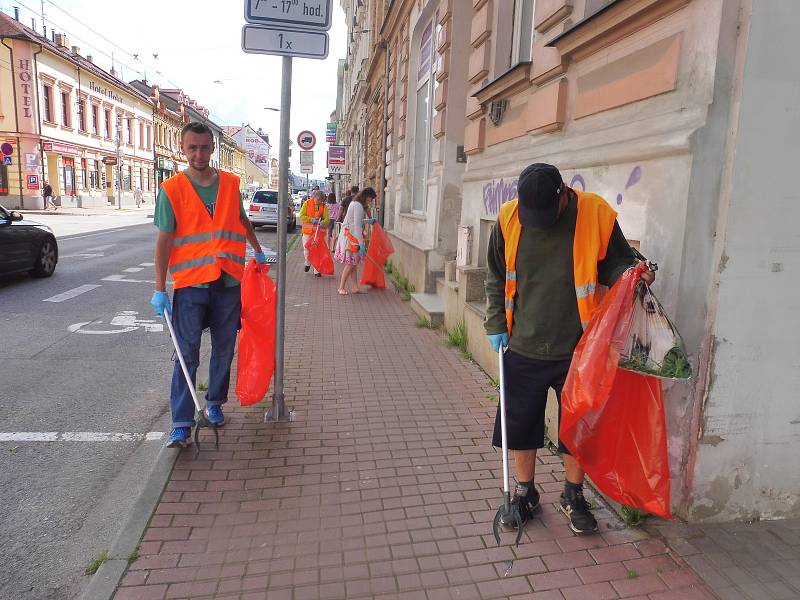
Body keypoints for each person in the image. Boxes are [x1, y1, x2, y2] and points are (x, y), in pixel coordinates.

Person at [484, 163, 655, 535]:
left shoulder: (595, 214)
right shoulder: (509, 218)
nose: (538, 223)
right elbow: (496, 275)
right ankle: (526, 493)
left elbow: (618, 263)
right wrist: (495, 323)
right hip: (521, 344)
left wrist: (634, 273)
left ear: (563, 195)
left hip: (580, 348)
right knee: (520, 424)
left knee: (578, 427)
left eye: (545, 215)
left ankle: (572, 494)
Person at [150, 121, 267, 448]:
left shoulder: (230, 183)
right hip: (190, 285)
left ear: (212, 148)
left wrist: (257, 251)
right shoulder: (171, 190)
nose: (199, 154)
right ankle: (181, 424)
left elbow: (241, 219)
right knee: (186, 354)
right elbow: (163, 242)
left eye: (204, 147)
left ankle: (214, 403)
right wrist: (160, 288)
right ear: (182, 148)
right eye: (192, 148)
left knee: (224, 348)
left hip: (228, 281)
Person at [335, 187, 377, 295]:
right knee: (351, 264)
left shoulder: (355, 203)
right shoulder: (358, 206)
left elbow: (355, 220)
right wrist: (361, 243)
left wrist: (368, 221)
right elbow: (358, 226)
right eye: (371, 199)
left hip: (350, 235)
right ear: (366, 197)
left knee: (353, 263)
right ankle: (341, 287)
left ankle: (354, 287)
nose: (371, 201)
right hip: (352, 237)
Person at [299, 189, 330, 277]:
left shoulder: (323, 206)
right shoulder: (307, 203)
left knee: (318, 251)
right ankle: (308, 262)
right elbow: (301, 216)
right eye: (318, 200)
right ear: (314, 197)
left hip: (318, 233)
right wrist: (311, 219)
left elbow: (327, 219)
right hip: (307, 232)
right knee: (307, 249)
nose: (319, 202)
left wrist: (322, 222)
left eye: (321, 200)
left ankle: (317, 270)